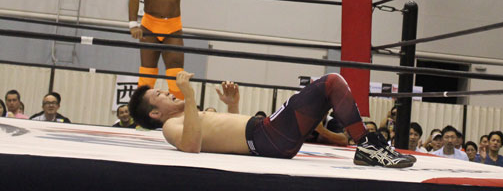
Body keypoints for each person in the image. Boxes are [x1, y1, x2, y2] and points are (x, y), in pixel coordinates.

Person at [129, 70, 416, 168]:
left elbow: (227, 138)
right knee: (331, 82)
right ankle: (367, 145)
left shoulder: (188, 116)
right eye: (159, 95)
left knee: (328, 90)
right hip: (266, 136)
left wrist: (233, 105)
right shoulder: (170, 126)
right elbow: (191, 146)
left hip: (266, 138)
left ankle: (368, 145)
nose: (168, 92)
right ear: (155, 113)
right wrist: (191, 96)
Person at [129, 0, 213, 100]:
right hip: (149, 24)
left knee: (176, 72)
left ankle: (179, 111)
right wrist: (133, 24)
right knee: (147, 73)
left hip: (172, 26)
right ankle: (142, 112)